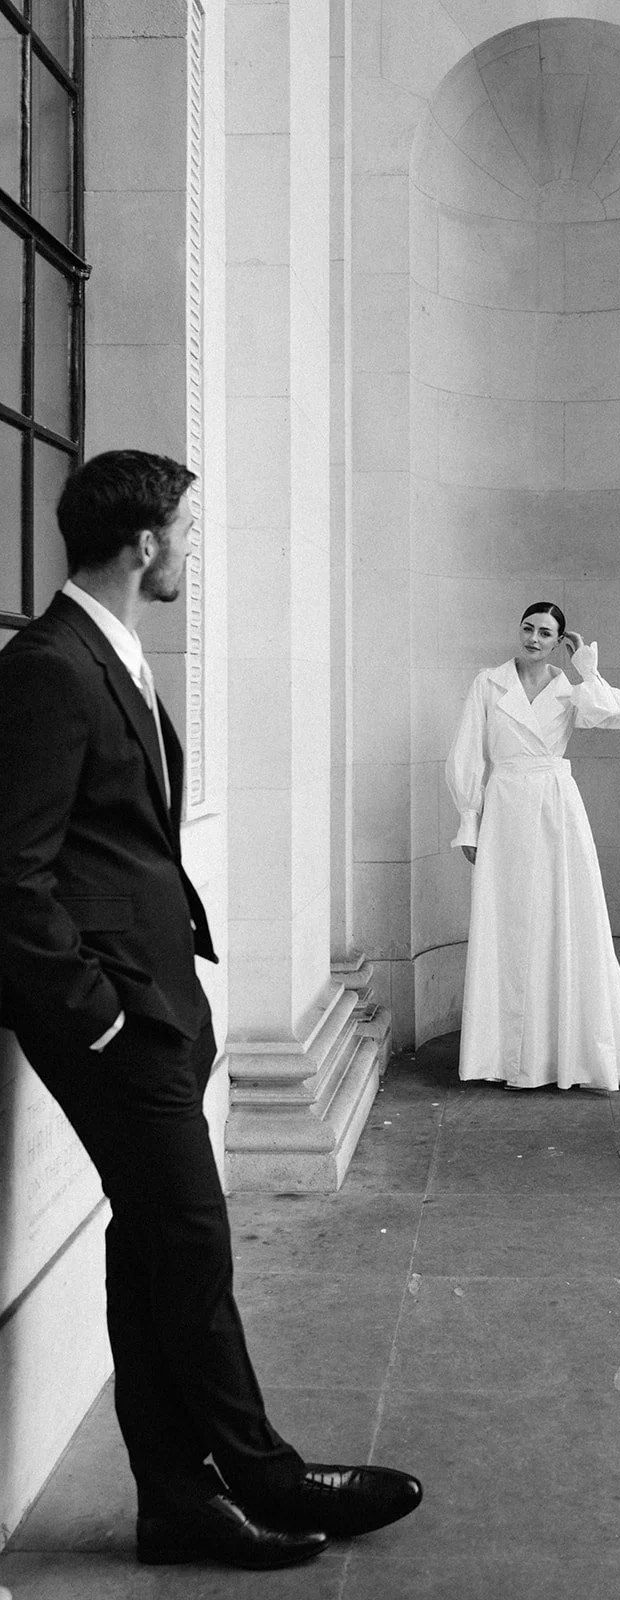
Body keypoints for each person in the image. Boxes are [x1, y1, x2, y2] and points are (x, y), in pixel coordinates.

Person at [0, 451, 421, 1571]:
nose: (193, 548)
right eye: (187, 530)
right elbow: (13, 873)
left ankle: (176, 1504)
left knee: (151, 1251)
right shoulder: (49, 666)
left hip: (160, 1009)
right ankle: (262, 1468)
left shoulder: (113, 655)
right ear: (145, 545)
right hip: (115, 1026)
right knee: (190, 1242)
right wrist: (96, 1016)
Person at [446, 600, 620, 1092]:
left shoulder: (568, 689)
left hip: (557, 808)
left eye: (545, 633)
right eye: (528, 629)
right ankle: (505, 1054)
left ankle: (561, 1051)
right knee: (509, 921)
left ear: (559, 640)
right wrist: (468, 823)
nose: (534, 638)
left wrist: (588, 670)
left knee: (563, 916)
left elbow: (618, 712)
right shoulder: (489, 683)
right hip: (507, 808)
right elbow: (467, 751)